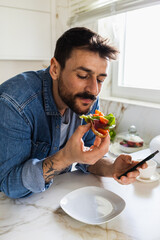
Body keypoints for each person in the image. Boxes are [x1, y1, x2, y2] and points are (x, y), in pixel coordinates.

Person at [0, 27, 146, 199]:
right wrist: (65, 158)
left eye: (100, 80)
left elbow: (88, 157)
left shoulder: (87, 98)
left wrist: (112, 167)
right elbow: (9, 184)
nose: (94, 89)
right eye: (83, 75)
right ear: (55, 69)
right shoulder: (14, 102)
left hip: (59, 199)